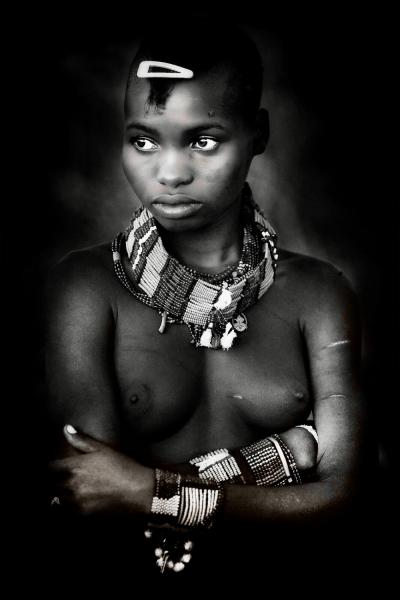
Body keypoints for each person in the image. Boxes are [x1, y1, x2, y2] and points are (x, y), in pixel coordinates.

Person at [45, 21, 367, 585]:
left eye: (203, 140)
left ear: (257, 134)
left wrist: (149, 490)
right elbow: (93, 499)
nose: (169, 173)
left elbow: (345, 499)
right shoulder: (86, 289)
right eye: (144, 140)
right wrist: (285, 458)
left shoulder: (319, 295)